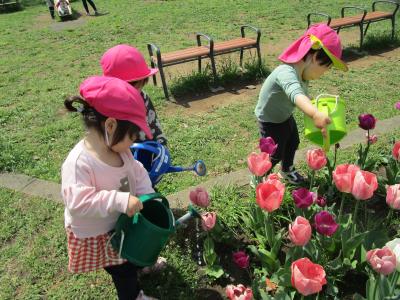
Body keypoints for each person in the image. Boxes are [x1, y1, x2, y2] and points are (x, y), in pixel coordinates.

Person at [62, 76, 157, 300]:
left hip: (119, 222)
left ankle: (136, 265)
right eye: (132, 135)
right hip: (100, 232)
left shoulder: (119, 148)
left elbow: (136, 170)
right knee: (122, 271)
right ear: (111, 125)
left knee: (127, 257)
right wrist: (120, 200)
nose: (133, 142)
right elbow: (78, 203)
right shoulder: (79, 163)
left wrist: (146, 192)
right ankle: (132, 296)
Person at [254, 24, 348, 184]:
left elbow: (304, 98)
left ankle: (287, 170)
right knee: (274, 153)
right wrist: (315, 113)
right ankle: (259, 176)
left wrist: (318, 116)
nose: (322, 74)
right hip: (270, 120)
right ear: (314, 56)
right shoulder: (286, 73)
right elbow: (296, 94)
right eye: (325, 69)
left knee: (292, 142)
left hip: (284, 115)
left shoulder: (302, 75)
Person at [100, 44, 168, 147]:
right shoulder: (105, 106)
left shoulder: (143, 98)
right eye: (129, 90)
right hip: (121, 154)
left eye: (139, 88)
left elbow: (153, 123)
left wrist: (161, 144)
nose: (134, 95)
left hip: (147, 149)